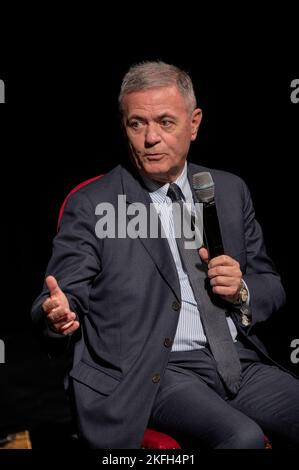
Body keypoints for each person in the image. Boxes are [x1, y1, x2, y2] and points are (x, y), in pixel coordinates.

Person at [31, 61, 299, 449]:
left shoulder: (227, 190)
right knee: (242, 439)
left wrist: (241, 291)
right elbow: (58, 298)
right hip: (153, 371)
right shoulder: (94, 204)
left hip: (235, 361)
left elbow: (271, 286)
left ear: (194, 123)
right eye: (137, 123)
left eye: (165, 122)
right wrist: (57, 316)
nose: (150, 138)